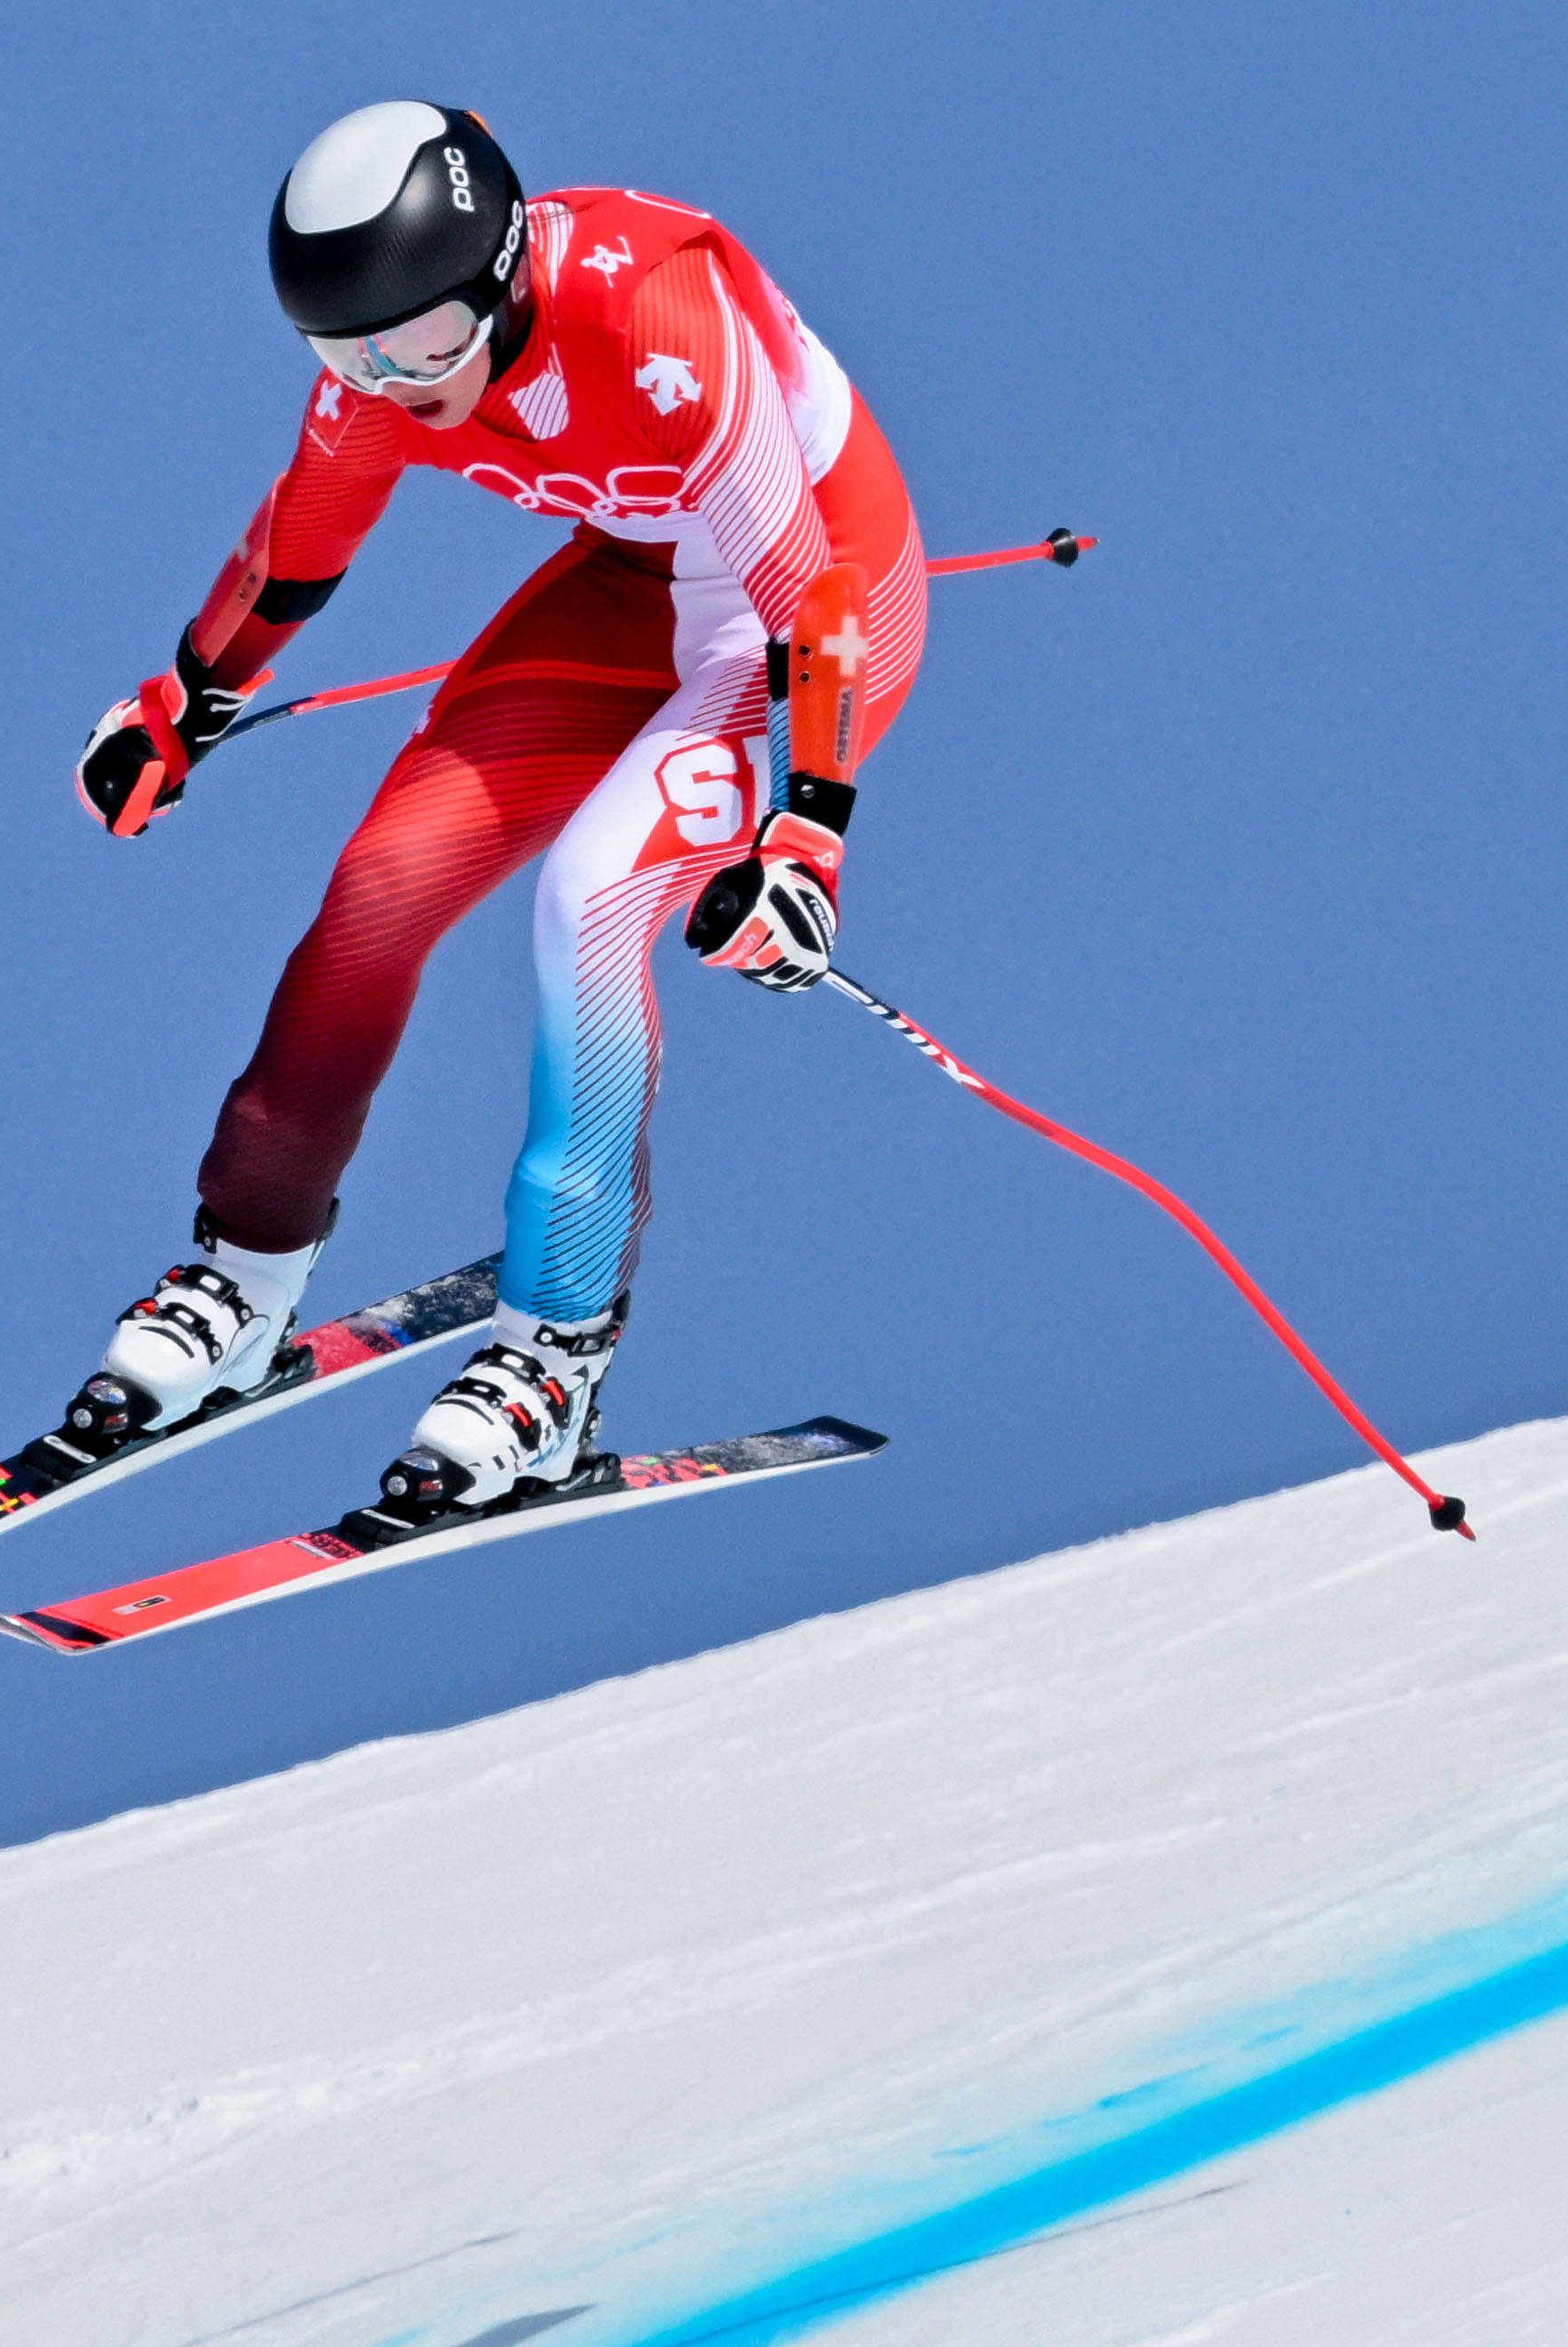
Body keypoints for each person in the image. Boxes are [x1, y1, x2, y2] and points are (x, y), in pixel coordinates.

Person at [64, 100, 928, 1518]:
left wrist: (807, 833)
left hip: (814, 605)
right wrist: (184, 702)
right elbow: (300, 546)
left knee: (591, 901)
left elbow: (806, 593)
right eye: (349, 355)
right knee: (378, 892)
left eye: (419, 348)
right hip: (635, 587)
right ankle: (245, 1270)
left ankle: (554, 1360)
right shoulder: (383, 368)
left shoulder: (656, 318)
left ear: (506, 273)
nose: (395, 385)